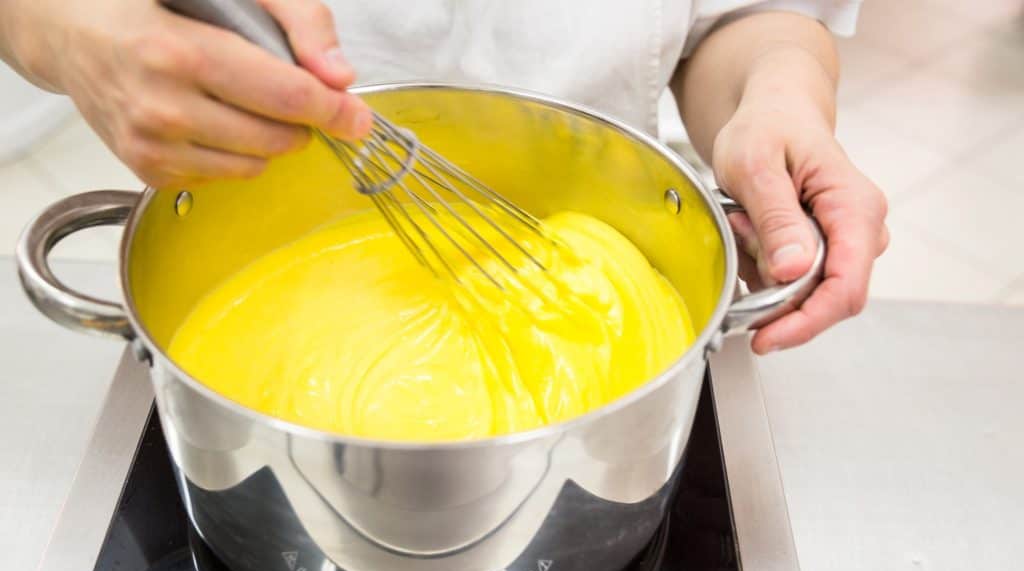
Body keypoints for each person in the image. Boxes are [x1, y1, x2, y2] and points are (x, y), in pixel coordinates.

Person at [0, 0, 888, 354]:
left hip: (608, 222)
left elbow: (752, 16)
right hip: (235, 182)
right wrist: (64, 31)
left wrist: (778, 93)